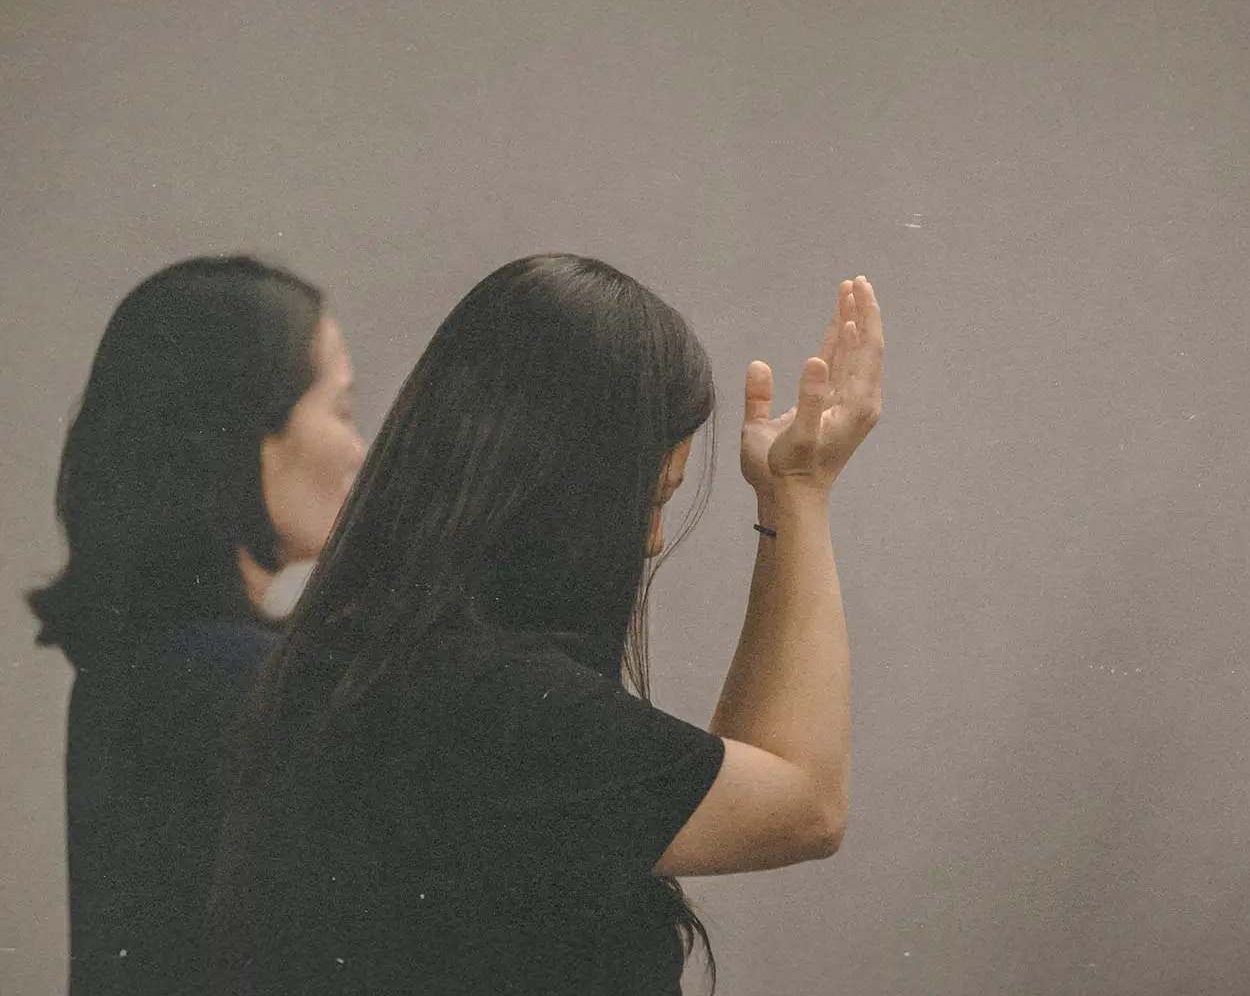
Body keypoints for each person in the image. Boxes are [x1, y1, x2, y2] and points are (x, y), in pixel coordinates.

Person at [209, 254, 884, 995]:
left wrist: (788, 496)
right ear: (568, 489)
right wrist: (800, 491)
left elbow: (748, 771)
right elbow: (806, 806)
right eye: (648, 499)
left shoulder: (371, 656)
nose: (652, 539)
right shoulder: (497, 706)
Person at [28, 256, 367, 995]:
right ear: (249, 436)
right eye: (341, 411)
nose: (358, 451)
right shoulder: (227, 679)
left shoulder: (160, 664)